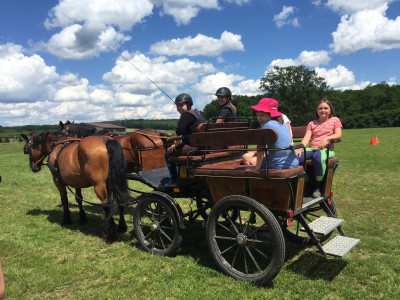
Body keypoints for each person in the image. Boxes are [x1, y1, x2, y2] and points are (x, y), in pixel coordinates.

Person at [295, 99, 342, 198]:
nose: (323, 110)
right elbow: (307, 138)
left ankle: (318, 185)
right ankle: (306, 182)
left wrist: (327, 138)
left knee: (318, 156)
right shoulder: (312, 123)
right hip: (312, 148)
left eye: (326, 108)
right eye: (320, 108)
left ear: (330, 110)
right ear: (317, 110)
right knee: (296, 156)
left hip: (327, 149)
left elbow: (338, 134)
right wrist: (300, 148)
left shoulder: (335, 120)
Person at [242, 98, 299, 170]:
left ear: (271, 115)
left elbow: (261, 148)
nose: (259, 118)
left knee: (251, 162)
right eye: (257, 115)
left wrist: (256, 169)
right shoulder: (282, 123)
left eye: (262, 115)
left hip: (276, 164)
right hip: (293, 162)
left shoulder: (267, 125)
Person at [165, 93, 205, 185]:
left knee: (168, 152)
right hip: (202, 145)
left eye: (181, 105)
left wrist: (175, 145)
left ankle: (174, 179)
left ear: (188, 104)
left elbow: (179, 134)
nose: (179, 108)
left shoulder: (186, 115)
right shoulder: (197, 112)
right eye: (177, 106)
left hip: (194, 147)